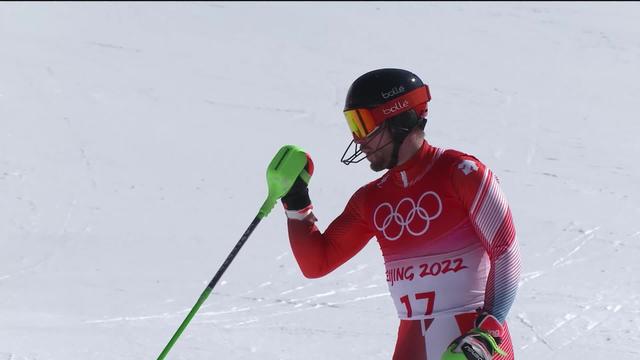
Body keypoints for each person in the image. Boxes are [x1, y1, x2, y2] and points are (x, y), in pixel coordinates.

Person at [280, 68, 521, 360]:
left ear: (398, 118)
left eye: (363, 123)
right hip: (412, 344)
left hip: (470, 346)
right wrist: (295, 200)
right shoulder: (371, 199)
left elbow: (505, 249)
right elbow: (316, 263)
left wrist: (487, 332)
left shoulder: (461, 173)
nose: (358, 139)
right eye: (352, 125)